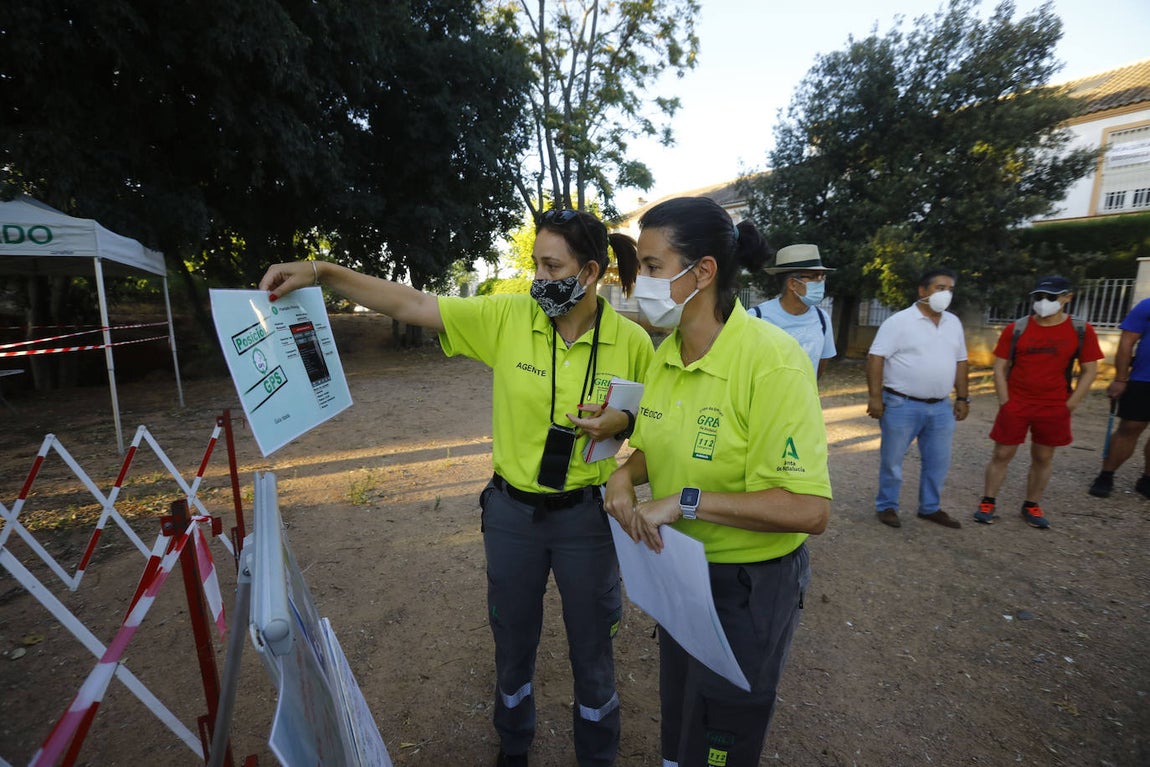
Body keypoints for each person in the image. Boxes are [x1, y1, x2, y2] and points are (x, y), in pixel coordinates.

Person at [258, 208, 654, 767]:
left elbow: (657, 427)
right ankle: (513, 745)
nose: (539, 279)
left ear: (589, 273)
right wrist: (323, 271)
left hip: (587, 523)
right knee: (512, 642)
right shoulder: (508, 318)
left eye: (551, 266)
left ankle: (598, 753)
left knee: (593, 649)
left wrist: (624, 427)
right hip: (513, 517)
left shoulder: (633, 342)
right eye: (535, 265)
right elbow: (412, 303)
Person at [602, 197, 831, 767]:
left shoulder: (770, 363)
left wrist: (687, 502)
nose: (640, 283)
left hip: (750, 587)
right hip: (683, 575)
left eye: (653, 268)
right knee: (682, 718)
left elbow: (809, 509)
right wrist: (624, 476)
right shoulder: (666, 355)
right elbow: (657, 445)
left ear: (702, 272)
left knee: (722, 736)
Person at [974, 276, 1102, 528]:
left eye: (1051, 297)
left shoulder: (1081, 330)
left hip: (1054, 405)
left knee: (1043, 456)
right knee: (1002, 452)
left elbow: (1090, 370)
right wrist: (1005, 400)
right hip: (1017, 402)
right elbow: (1000, 367)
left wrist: (1071, 404)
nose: (1044, 302)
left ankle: (1031, 504)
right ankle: (988, 501)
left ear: (1067, 298)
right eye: (1039, 297)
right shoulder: (1017, 328)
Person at [866, 268, 970, 529]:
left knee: (938, 461)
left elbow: (961, 361)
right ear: (922, 291)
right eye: (940, 288)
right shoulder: (899, 322)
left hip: (941, 406)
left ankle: (930, 507)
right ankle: (887, 506)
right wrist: (875, 397)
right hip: (901, 404)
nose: (946, 294)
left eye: (950, 289)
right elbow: (875, 358)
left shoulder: (953, 323)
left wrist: (963, 397)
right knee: (892, 460)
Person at [1089, 296, 1150, 499]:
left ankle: (1147, 479)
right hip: (1144, 379)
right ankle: (1106, 475)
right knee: (1129, 428)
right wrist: (1121, 379)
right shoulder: (1147, 305)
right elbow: (1126, 342)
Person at [747, 243, 836, 379]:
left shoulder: (822, 319)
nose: (820, 281)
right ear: (792, 284)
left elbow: (820, 366)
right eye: (814, 276)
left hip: (804, 400)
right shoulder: (756, 318)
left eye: (822, 276)